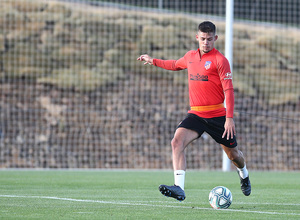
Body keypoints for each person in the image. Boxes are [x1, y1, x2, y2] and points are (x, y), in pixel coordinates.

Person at [137, 21, 251, 201]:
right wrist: (153, 61)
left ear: (216, 38)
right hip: (196, 114)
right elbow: (174, 64)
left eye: (209, 39)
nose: (206, 42)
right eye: (203, 39)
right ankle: (179, 188)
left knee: (234, 155)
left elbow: (229, 90)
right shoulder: (190, 56)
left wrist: (229, 118)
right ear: (197, 37)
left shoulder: (220, 60)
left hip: (218, 116)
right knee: (176, 141)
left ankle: (243, 174)